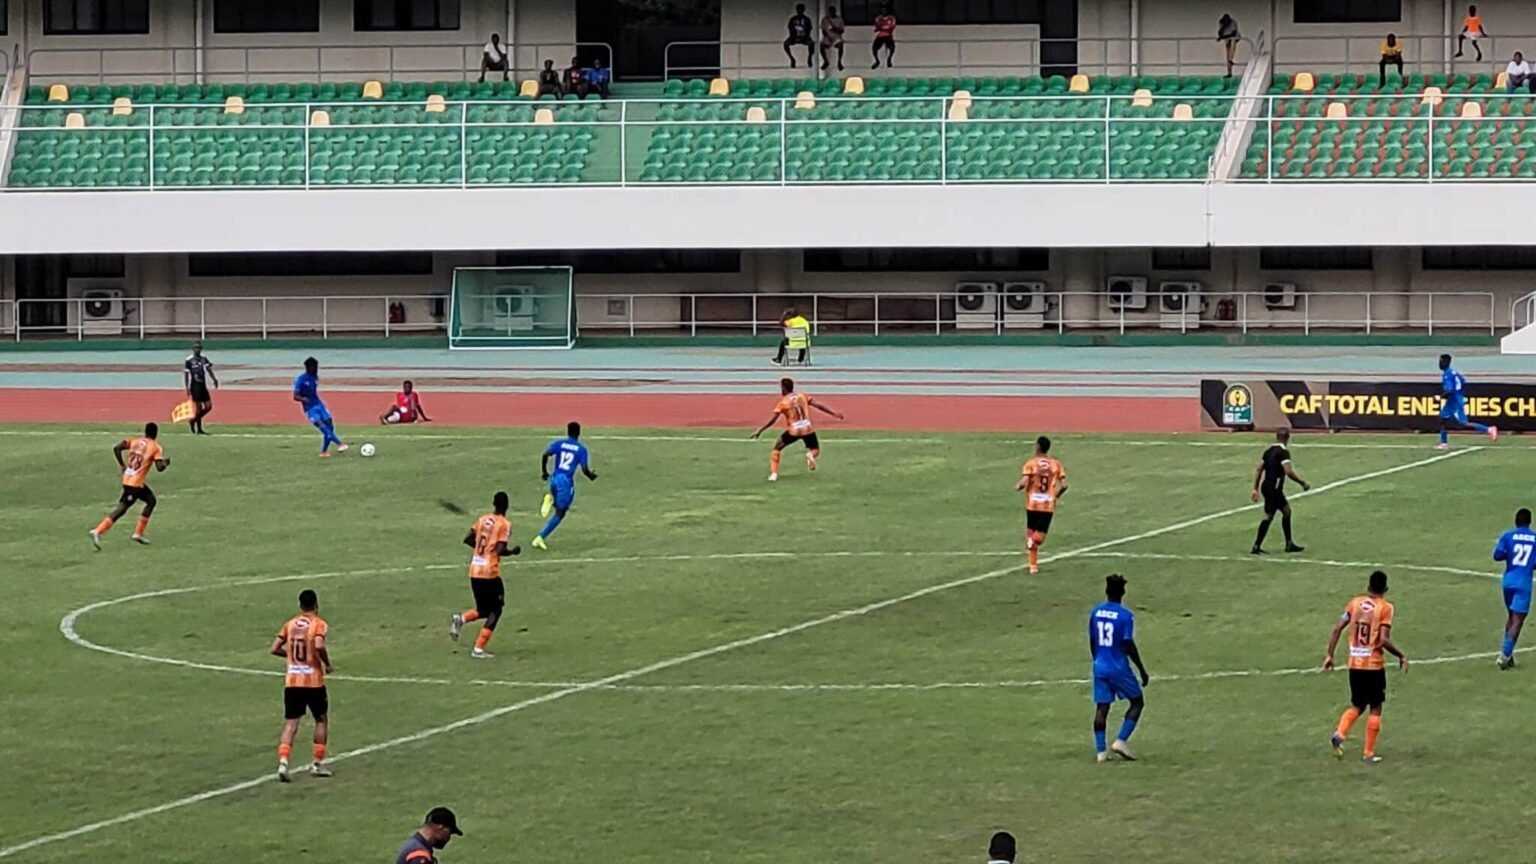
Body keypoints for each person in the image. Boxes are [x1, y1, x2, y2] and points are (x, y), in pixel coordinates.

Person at [1324, 570, 1407, 764]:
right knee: (1376, 707)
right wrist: (1401, 655)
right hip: (1374, 665)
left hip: (1355, 664)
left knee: (1357, 705)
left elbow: (1337, 628)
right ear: (1385, 588)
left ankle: (1340, 733)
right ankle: (1368, 753)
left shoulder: (1354, 604)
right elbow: (1383, 640)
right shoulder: (1386, 608)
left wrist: (1330, 655)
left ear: (1368, 586)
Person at [270, 588, 333, 782]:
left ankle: (283, 762)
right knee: (321, 720)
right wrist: (326, 663)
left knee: (291, 722)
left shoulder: (290, 624)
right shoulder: (318, 625)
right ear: (316, 604)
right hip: (313, 681)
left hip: (292, 682)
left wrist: (291, 657)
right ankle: (317, 764)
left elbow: (274, 649)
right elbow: (319, 645)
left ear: (300, 605)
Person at [451, 492, 520, 659]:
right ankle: (478, 648)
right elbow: (500, 550)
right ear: (507, 505)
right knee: (496, 610)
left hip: (475, 570)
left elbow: (468, 539)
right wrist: (512, 552)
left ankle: (461, 619)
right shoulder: (504, 524)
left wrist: (481, 550)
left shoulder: (483, 519)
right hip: (490, 572)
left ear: (494, 504)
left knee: (483, 609)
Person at [1089, 574, 1150, 762]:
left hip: (1100, 665)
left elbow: (1093, 640)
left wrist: (1097, 660)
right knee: (1137, 701)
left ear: (1106, 591)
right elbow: (1127, 644)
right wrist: (1141, 668)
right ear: (1122, 592)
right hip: (1118, 666)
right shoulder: (1125, 616)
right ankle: (1121, 741)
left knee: (1102, 707)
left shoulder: (1096, 613)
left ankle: (1101, 752)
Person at [90, 421, 169, 549]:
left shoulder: (135, 441)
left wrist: (122, 465)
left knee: (151, 501)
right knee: (122, 508)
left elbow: (117, 448)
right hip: (134, 484)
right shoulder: (155, 447)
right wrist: (165, 463)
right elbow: (160, 468)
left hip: (129, 479)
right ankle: (98, 530)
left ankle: (138, 533)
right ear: (156, 434)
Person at [750, 377, 844, 482]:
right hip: (807, 428)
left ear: (784, 388)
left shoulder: (783, 402)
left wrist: (760, 430)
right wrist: (834, 414)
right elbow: (818, 405)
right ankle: (810, 455)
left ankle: (774, 474)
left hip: (794, 431)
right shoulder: (803, 396)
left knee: (777, 448)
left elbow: (773, 420)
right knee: (815, 450)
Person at [534, 421, 597, 550]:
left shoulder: (559, 443)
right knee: (561, 512)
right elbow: (584, 469)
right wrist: (591, 476)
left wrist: (544, 472)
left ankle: (551, 498)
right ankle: (540, 538)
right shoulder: (581, 449)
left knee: (560, 506)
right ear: (579, 433)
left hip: (554, 479)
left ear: (568, 431)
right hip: (565, 483)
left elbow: (545, 454)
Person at [1250, 428, 1309, 555]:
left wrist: (1255, 488)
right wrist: (1302, 482)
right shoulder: (1283, 452)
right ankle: (1256, 545)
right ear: (1288, 438)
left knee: (1286, 511)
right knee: (1268, 516)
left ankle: (1289, 543)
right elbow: (1288, 471)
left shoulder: (1268, 451)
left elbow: (1259, 469)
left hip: (1266, 486)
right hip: (1274, 488)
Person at [1015, 435, 1067, 576]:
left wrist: (1019, 485)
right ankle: (1033, 566)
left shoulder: (1031, 463)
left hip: (1032, 504)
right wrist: (1056, 495)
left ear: (1038, 446)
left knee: (1032, 534)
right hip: (1047, 505)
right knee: (1040, 537)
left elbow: (1025, 481)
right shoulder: (1056, 464)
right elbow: (1064, 485)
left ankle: (1032, 553)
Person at [1493, 508, 1535, 669]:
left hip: (1508, 581)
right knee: (1518, 620)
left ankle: (1508, 655)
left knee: (1511, 616)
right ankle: (1504, 656)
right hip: (1523, 583)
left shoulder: (1508, 536)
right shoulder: (1535, 538)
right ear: (1529, 521)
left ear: (1516, 521)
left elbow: (1497, 555)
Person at [1437, 353, 1498, 449]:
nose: (1439, 364)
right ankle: (1444, 443)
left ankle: (1488, 429)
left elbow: (1449, 390)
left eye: (1440, 361)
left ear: (1445, 362)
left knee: (1463, 423)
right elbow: (1463, 382)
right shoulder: (1454, 372)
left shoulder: (1447, 375)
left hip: (1455, 402)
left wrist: (1440, 397)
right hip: (1453, 401)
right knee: (1442, 419)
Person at [294, 356, 346, 457]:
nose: (316, 369)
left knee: (330, 425)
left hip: (319, 404)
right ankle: (340, 443)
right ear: (309, 367)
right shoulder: (301, 379)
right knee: (322, 426)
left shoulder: (315, 377)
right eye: (314, 367)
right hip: (310, 408)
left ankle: (324, 452)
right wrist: (303, 399)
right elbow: (295, 396)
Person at [395, 807, 464, 864]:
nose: (449, 838)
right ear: (441, 828)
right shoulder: (419, 856)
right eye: (450, 832)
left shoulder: (414, 843)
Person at [183, 340, 218, 435]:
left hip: (203, 385)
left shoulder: (204, 359)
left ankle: (193, 420)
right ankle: (199, 429)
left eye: (199, 348)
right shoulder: (189, 360)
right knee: (198, 408)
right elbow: (186, 374)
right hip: (195, 386)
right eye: (195, 348)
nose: (197, 350)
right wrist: (187, 387)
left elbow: (208, 369)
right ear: (193, 349)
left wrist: (214, 379)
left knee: (208, 406)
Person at [784, 3, 815, 68]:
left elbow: (809, 30)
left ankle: (809, 58)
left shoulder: (807, 19)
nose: (800, 11)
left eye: (801, 10)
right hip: (794, 37)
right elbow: (790, 29)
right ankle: (792, 59)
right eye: (799, 10)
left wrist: (804, 37)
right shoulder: (793, 19)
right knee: (786, 43)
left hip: (805, 37)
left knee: (811, 44)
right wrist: (794, 37)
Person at [820, 6, 846, 71]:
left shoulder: (839, 19)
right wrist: (828, 37)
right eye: (830, 11)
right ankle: (825, 61)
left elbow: (842, 31)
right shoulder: (825, 19)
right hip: (827, 37)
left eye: (833, 11)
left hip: (836, 37)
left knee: (840, 46)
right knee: (821, 46)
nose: (832, 13)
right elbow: (823, 31)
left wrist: (835, 29)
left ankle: (839, 62)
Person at [871, 4, 896, 69]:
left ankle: (889, 59)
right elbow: (877, 26)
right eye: (882, 10)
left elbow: (891, 26)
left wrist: (882, 27)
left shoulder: (891, 18)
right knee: (874, 48)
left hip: (888, 35)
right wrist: (881, 27)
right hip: (880, 35)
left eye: (885, 10)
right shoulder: (879, 18)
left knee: (892, 47)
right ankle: (877, 61)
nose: (884, 11)